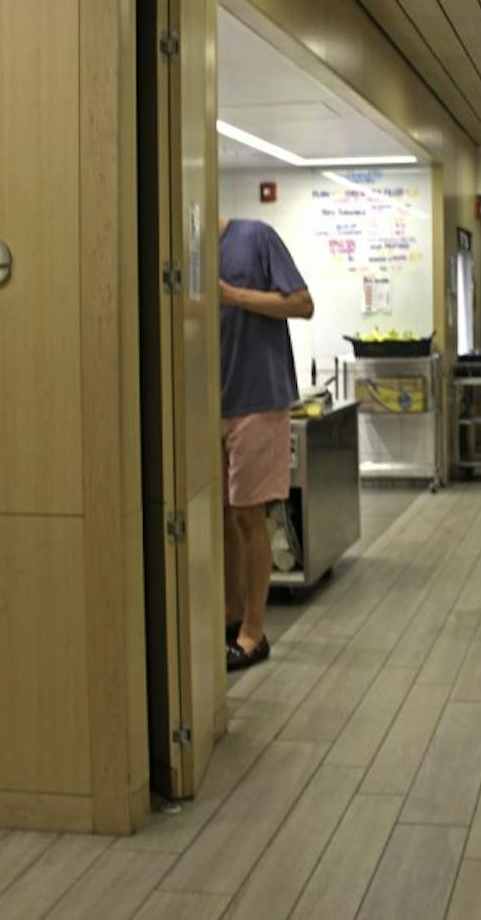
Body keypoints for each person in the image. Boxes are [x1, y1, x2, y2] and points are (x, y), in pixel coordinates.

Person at [218, 217, 315, 671]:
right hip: (206, 405)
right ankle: (230, 614)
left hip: (258, 398)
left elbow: (301, 303)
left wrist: (231, 294)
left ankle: (253, 632)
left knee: (247, 515)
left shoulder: (254, 236)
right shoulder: (180, 250)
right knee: (218, 513)